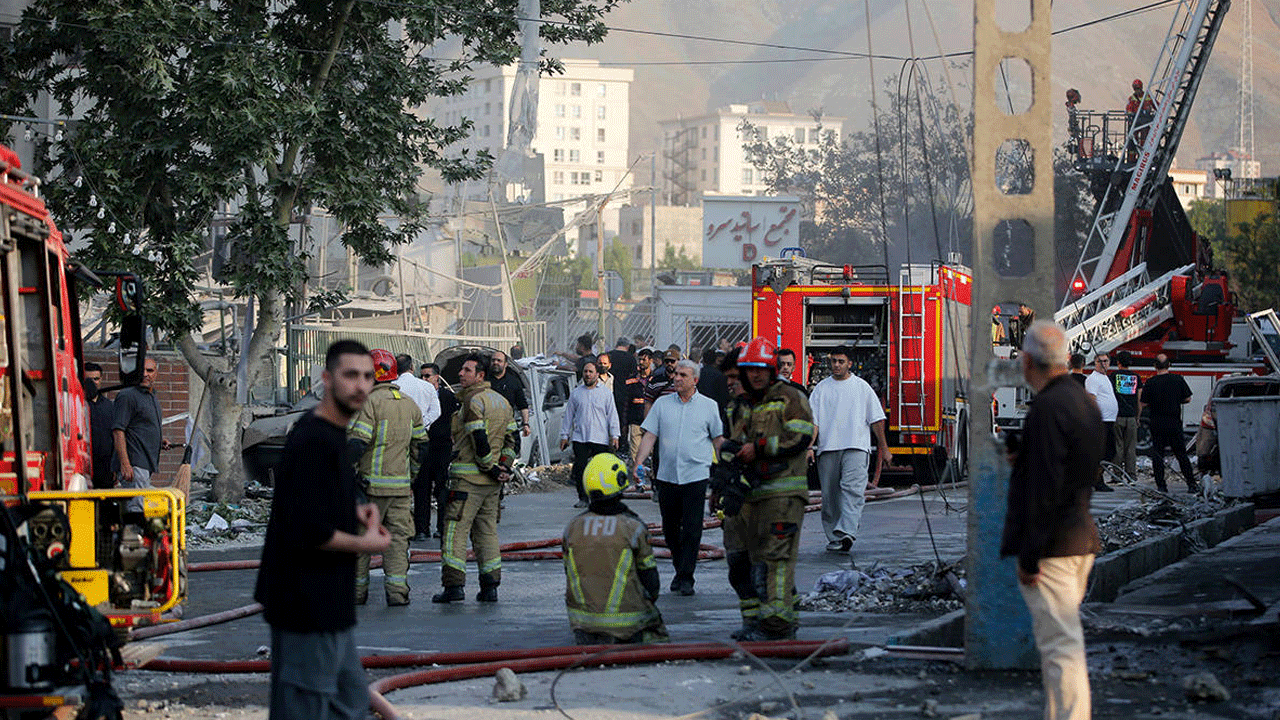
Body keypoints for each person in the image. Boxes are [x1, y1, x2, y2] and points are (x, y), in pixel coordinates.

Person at [255, 339, 391, 720]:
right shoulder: (314, 439)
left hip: (331, 605)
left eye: (368, 376)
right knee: (305, 708)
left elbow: (316, 501)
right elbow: (308, 529)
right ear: (327, 379)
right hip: (305, 605)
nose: (361, 385)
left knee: (350, 704)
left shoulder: (330, 435)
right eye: (351, 375)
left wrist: (355, 510)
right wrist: (366, 543)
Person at [1000, 321, 1103, 720]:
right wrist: (1024, 457)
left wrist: (1029, 556)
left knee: (1061, 648)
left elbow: (1045, 490)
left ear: (1027, 361)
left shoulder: (1046, 408)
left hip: (1053, 549)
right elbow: (1072, 468)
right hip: (1079, 538)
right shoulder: (1083, 401)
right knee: (1062, 645)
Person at [726, 337, 815, 641]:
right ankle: (754, 622)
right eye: (750, 369)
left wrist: (760, 448)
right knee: (742, 562)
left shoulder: (791, 397)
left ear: (773, 368)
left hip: (783, 494)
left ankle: (777, 626)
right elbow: (733, 446)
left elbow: (801, 437)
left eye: (762, 368)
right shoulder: (742, 404)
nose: (756, 375)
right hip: (749, 495)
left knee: (776, 559)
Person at [632, 359, 724, 596]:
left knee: (692, 528)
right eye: (676, 374)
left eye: (683, 375)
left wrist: (725, 469)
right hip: (667, 476)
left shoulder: (709, 406)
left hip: (696, 475)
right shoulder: (662, 405)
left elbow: (717, 441)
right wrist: (639, 462)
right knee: (671, 529)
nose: (677, 378)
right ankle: (679, 568)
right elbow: (650, 436)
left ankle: (686, 577)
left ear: (695, 380)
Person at [434, 353, 517, 603]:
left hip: (467, 482)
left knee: (454, 532)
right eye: (461, 370)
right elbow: (512, 441)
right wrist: (503, 467)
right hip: (492, 486)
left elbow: (478, 438)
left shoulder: (472, 401)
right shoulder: (503, 403)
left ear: (480, 376)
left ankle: (454, 587)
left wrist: (489, 466)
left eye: (467, 371)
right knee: (487, 533)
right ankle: (490, 586)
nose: (461, 374)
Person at [562, 453, 668, 645]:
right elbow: (651, 583)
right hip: (627, 625)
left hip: (583, 625)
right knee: (659, 636)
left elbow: (568, 573)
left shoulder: (572, 528)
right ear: (620, 481)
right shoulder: (633, 528)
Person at [349, 349, 426, 607]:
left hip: (370, 488)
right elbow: (421, 448)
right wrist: (411, 476)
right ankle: (397, 593)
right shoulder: (409, 404)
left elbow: (357, 444)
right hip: (401, 489)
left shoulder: (367, 404)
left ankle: (357, 594)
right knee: (397, 541)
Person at [808, 345, 892, 553]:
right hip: (828, 449)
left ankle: (847, 531)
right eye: (834, 361)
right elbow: (813, 422)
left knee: (853, 491)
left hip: (856, 447)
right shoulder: (821, 389)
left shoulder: (862, 388)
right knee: (830, 497)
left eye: (841, 361)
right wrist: (809, 446)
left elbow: (877, 420)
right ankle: (835, 537)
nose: (836, 365)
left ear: (850, 364)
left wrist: (885, 449)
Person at [112, 357, 171, 516]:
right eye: (141, 370)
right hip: (134, 464)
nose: (145, 374)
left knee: (144, 507)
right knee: (137, 509)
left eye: (150, 371)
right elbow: (118, 430)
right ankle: (134, 539)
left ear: (156, 373)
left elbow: (140, 427)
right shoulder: (127, 396)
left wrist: (159, 441)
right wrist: (125, 464)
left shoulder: (151, 396)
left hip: (145, 464)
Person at [394, 354, 441, 543]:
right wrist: (422, 425)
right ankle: (422, 528)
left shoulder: (394, 387)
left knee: (402, 484)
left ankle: (406, 526)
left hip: (397, 440)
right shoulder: (427, 387)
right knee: (422, 485)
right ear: (412, 367)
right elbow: (436, 412)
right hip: (423, 439)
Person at [561, 359, 620, 508]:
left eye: (590, 372)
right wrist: (564, 436)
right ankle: (583, 497)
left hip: (600, 438)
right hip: (581, 437)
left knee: (600, 470)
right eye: (585, 372)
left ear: (597, 374)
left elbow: (612, 415)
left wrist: (615, 435)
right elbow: (568, 416)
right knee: (580, 469)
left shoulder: (605, 393)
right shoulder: (576, 393)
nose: (587, 375)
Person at [1141, 354, 1199, 493]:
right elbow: (1188, 398)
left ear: (1155, 366)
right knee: (1181, 454)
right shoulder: (1177, 379)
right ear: (1169, 365)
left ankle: (1161, 486)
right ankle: (1191, 484)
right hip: (1174, 422)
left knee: (1158, 454)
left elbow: (1143, 402)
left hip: (1157, 423)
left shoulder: (1150, 382)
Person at [420, 363, 458, 539]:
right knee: (421, 488)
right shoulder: (419, 395)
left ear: (437, 377)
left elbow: (455, 420)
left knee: (442, 489)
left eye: (427, 376)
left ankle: (442, 527)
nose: (424, 380)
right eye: (422, 376)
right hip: (424, 446)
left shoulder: (448, 397)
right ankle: (421, 528)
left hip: (442, 447)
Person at [1084, 353, 1118, 492]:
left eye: (1105, 361)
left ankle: (1097, 477)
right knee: (1103, 452)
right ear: (1095, 363)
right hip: (1101, 420)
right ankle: (1097, 480)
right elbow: (1091, 399)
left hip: (1109, 420)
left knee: (1109, 451)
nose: (1103, 364)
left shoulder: (1105, 378)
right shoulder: (1093, 379)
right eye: (1100, 361)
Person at [1109, 351, 1143, 479]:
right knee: (1130, 448)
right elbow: (1139, 399)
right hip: (1131, 417)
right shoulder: (1136, 377)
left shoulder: (1113, 376)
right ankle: (1131, 475)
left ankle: (1117, 475)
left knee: (1118, 446)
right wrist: (1138, 417)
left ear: (1118, 362)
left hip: (1117, 416)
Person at [488, 350, 531, 450]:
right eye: (493, 360)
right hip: (487, 428)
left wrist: (526, 424)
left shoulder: (513, 382)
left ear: (506, 364)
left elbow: (522, 405)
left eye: (499, 360)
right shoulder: (483, 380)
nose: (495, 363)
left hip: (506, 427)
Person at [84, 377, 116, 488]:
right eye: (89, 379)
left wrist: (116, 466)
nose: (92, 383)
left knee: (106, 502)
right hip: (85, 464)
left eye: (96, 379)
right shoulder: (80, 404)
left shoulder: (109, 406)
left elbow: (115, 436)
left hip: (106, 466)